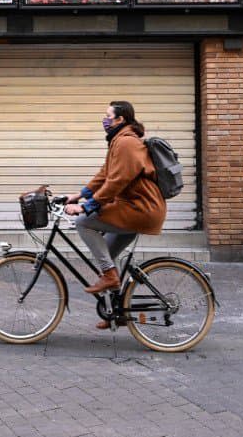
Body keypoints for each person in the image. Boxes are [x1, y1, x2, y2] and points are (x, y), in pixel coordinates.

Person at [64, 101, 166, 329]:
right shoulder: (119, 141)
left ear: (120, 119)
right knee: (106, 258)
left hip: (141, 208)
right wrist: (80, 194)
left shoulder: (127, 143)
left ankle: (110, 277)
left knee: (84, 222)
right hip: (133, 207)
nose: (104, 119)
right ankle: (118, 312)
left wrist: (87, 206)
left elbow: (118, 181)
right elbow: (105, 174)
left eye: (108, 116)